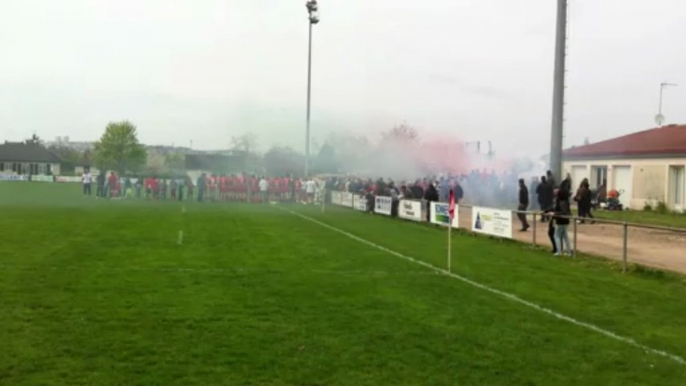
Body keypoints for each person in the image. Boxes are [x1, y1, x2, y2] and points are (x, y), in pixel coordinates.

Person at [551, 188, 573, 256]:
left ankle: (559, 251)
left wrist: (554, 214)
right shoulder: (566, 201)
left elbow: (563, 212)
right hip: (565, 221)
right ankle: (568, 251)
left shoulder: (561, 202)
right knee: (565, 236)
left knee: (557, 236)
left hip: (560, 221)